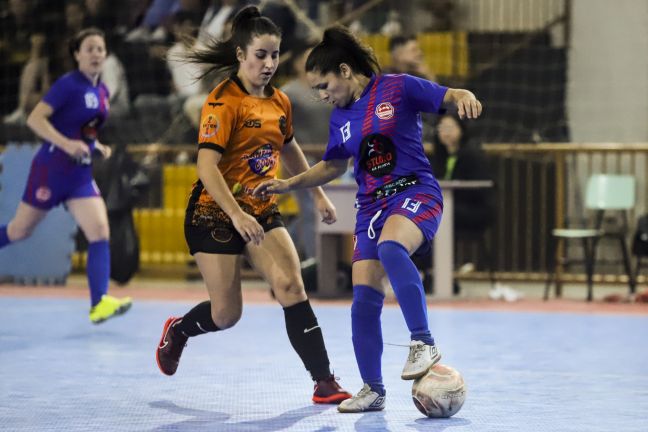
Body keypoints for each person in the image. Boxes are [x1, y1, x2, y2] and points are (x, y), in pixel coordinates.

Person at [253, 26, 482, 413]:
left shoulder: (398, 87)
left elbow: (448, 95)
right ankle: (373, 389)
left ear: (344, 70)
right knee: (363, 300)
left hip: (415, 192)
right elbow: (332, 165)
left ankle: (422, 342)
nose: (323, 95)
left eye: (324, 85)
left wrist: (465, 96)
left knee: (392, 248)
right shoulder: (340, 117)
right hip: (371, 207)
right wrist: (287, 184)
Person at [154, 6, 352, 405]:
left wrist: (316, 194)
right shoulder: (223, 101)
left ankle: (324, 382)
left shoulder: (280, 101)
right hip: (213, 213)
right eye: (260, 54)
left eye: (275, 55)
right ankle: (178, 330)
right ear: (241, 55)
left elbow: (290, 147)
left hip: (260, 211)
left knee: (291, 286)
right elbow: (206, 168)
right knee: (227, 315)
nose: (269, 63)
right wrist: (236, 214)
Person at [0, 28, 132, 324]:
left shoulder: (103, 92)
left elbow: (85, 130)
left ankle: (99, 304)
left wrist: (94, 146)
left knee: (99, 231)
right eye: (89, 48)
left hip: (79, 175)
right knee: (19, 231)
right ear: (77, 55)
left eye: (100, 48)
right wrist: (66, 144)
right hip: (51, 169)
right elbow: (35, 119)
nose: (96, 54)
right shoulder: (67, 85)